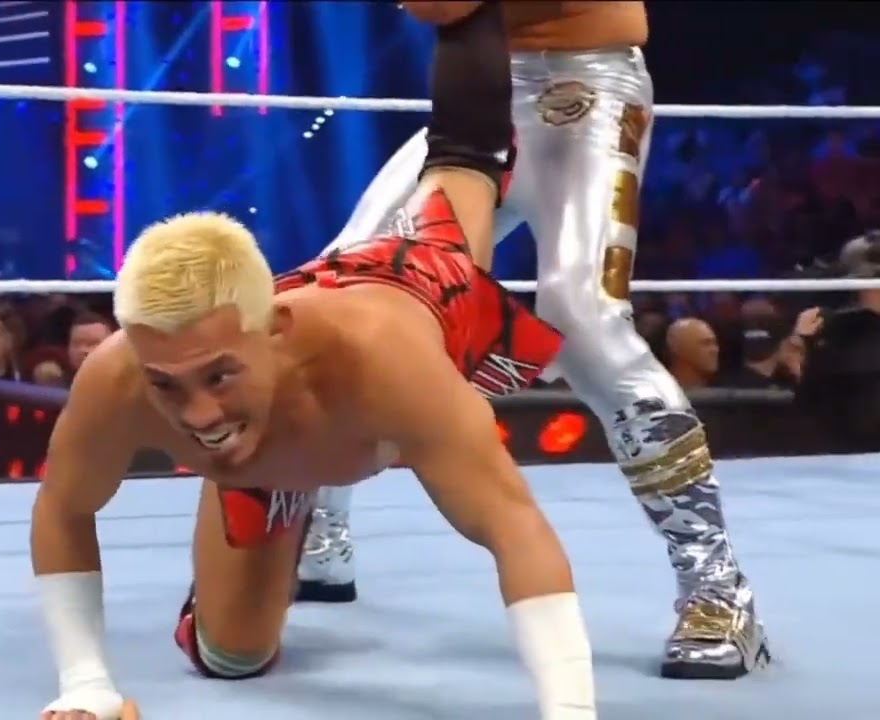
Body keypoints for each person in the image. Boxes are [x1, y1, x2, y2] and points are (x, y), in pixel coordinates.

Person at [298, 0, 771, 681]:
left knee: (582, 319)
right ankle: (322, 534)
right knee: (348, 288)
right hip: (480, 95)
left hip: (588, 89)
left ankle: (718, 588)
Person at [32, 189, 595, 720]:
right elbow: (63, 507)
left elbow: (512, 525)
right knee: (231, 656)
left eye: (219, 376)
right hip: (274, 437)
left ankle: (467, 144)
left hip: (423, 290)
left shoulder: (387, 362)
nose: (198, 414)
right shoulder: (117, 377)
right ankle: (286, 487)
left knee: (459, 201)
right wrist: (84, 682)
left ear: (274, 331)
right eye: (166, 385)